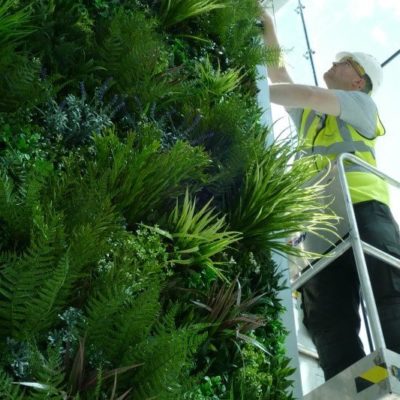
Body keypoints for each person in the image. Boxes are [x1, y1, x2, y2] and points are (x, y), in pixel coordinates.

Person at [260, 9, 400, 381]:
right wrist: (269, 27)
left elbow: (302, 92)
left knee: (389, 294)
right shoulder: (312, 118)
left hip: (364, 210)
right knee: (327, 319)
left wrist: (255, 91)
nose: (334, 63)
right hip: (321, 231)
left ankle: (396, 370)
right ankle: (358, 385)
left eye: (343, 62)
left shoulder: (361, 105)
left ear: (358, 80)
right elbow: (280, 75)